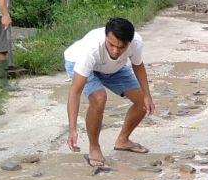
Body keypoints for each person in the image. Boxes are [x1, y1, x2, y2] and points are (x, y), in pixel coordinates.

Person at [64, 17, 155, 168]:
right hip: (78, 63)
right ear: (106, 37)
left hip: (113, 68)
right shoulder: (90, 49)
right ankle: (94, 147)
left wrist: (147, 95)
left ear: (130, 43)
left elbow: (138, 65)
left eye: (121, 47)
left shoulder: (136, 42)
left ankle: (123, 140)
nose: (115, 51)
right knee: (99, 98)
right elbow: (75, 91)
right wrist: (72, 129)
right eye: (111, 45)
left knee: (142, 102)